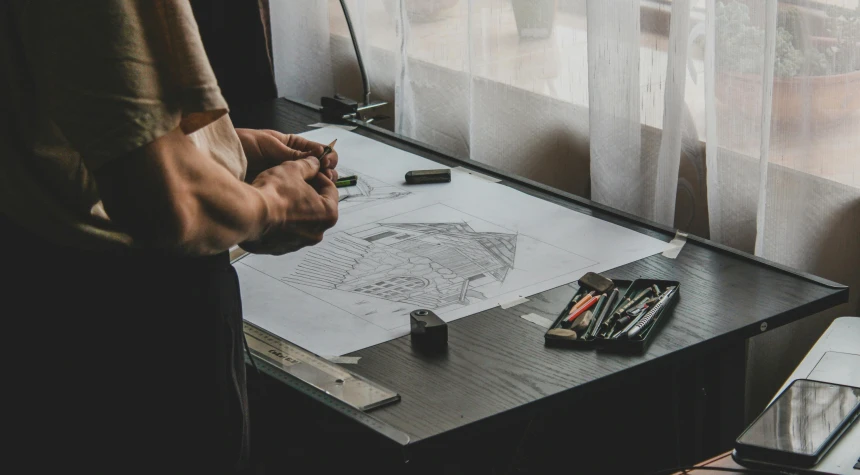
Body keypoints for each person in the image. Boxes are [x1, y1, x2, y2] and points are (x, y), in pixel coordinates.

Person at [1, 1, 338, 473]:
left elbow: (53, 122)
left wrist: (216, 150)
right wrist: (271, 207)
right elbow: (167, 206)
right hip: (126, 343)